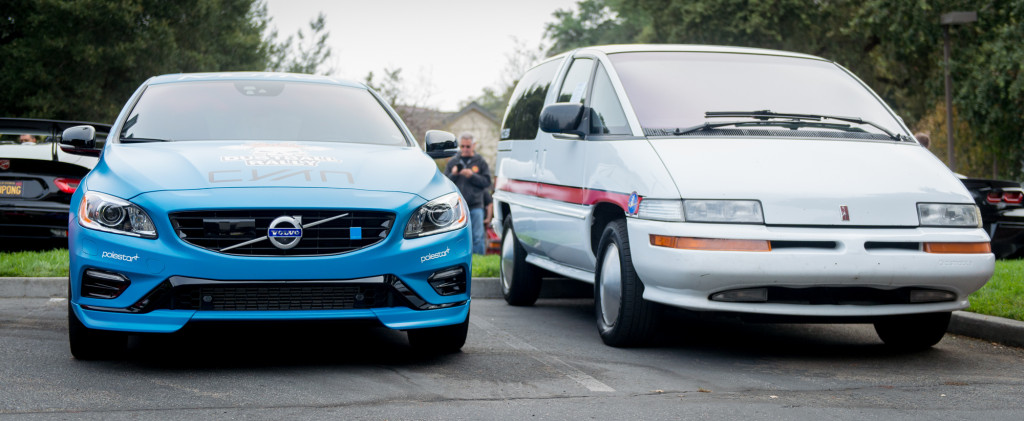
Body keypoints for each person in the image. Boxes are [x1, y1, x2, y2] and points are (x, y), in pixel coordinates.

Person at [445, 132, 491, 254]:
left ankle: (479, 262)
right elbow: (445, 184)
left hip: (476, 206)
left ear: (474, 145)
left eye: (468, 146)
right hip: (457, 206)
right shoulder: (453, 162)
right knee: (456, 237)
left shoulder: (480, 161)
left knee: (477, 236)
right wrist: (453, 174)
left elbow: (487, 182)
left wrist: (472, 176)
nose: (465, 149)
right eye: (462, 146)